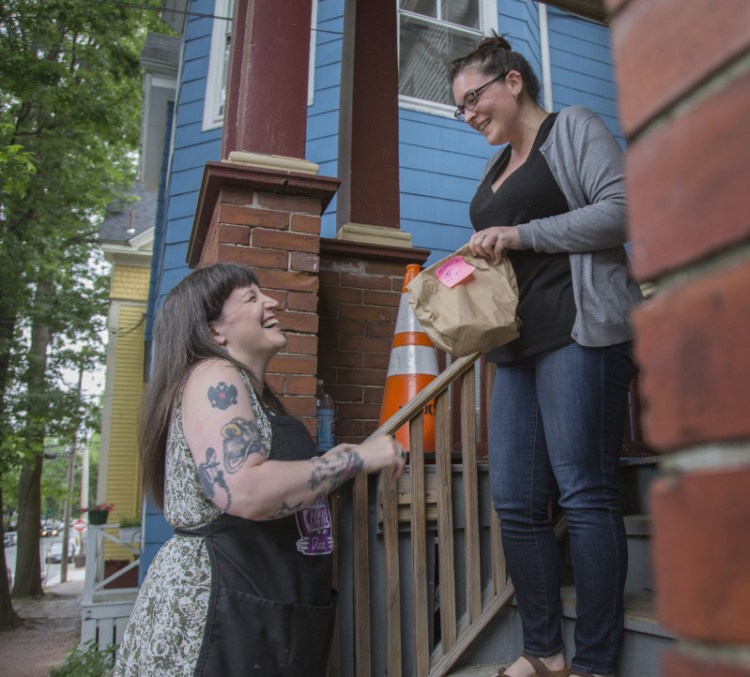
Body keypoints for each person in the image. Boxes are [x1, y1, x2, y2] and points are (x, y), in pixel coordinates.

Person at [448, 35, 643, 677]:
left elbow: (619, 213)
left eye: (473, 97)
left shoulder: (573, 127)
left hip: (579, 335)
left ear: (513, 80)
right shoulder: (497, 166)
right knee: (515, 500)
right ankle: (544, 651)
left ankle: (593, 661)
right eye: (460, 108)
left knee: (584, 493)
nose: (469, 113)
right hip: (517, 349)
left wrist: (521, 232)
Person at [114, 262, 406, 677]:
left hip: (260, 608)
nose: (271, 301)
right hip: (218, 613)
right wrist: (356, 458)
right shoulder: (216, 375)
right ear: (216, 332)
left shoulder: (253, 395)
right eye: (252, 297)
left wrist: (327, 464)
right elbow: (244, 488)